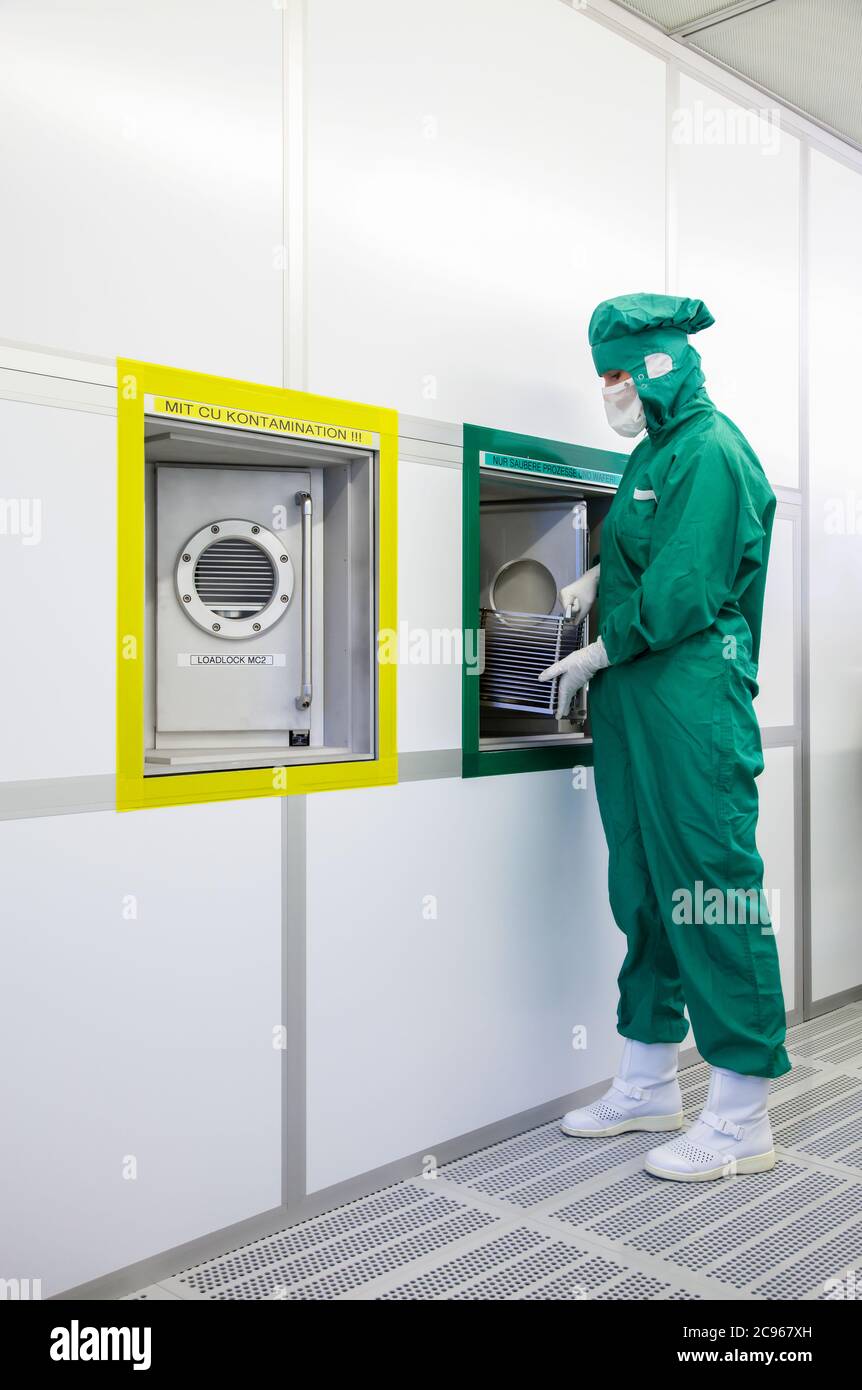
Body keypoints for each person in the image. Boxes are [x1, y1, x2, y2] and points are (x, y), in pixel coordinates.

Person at [539, 293, 790, 1182]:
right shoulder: (654, 451)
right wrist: (598, 577)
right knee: (642, 884)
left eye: (616, 373)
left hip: (689, 695)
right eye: (601, 373)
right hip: (634, 698)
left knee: (709, 885)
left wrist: (605, 642)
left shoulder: (712, 451)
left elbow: (688, 583)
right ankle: (648, 1079)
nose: (607, 390)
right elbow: (653, 550)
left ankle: (741, 1110)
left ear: (658, 366)